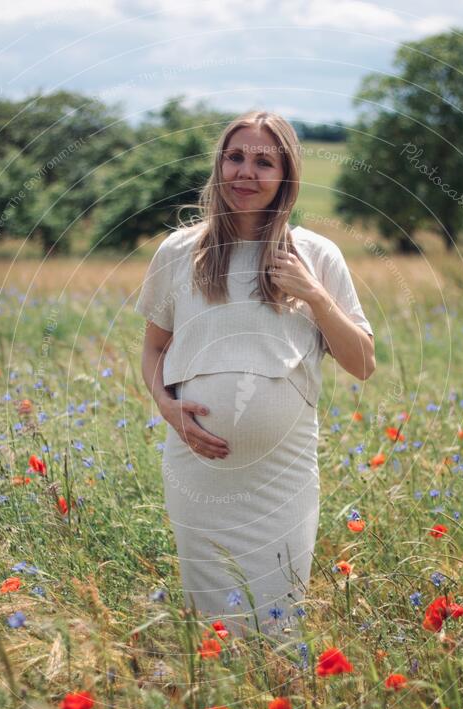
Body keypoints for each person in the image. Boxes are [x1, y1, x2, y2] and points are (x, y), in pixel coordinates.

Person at [135, 110, 375, 641]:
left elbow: (362, 363)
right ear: (219, 165)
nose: (246, 172)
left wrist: (313, 293)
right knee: (212, 625)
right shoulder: (179, 252)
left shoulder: (316, 253)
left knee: (281, 618)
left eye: (263, 161)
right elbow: (153, 349)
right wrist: (167, 407)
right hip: (197, 469)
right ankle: (220, 707)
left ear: (286, 175)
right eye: (235, 157)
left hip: (282, 472)